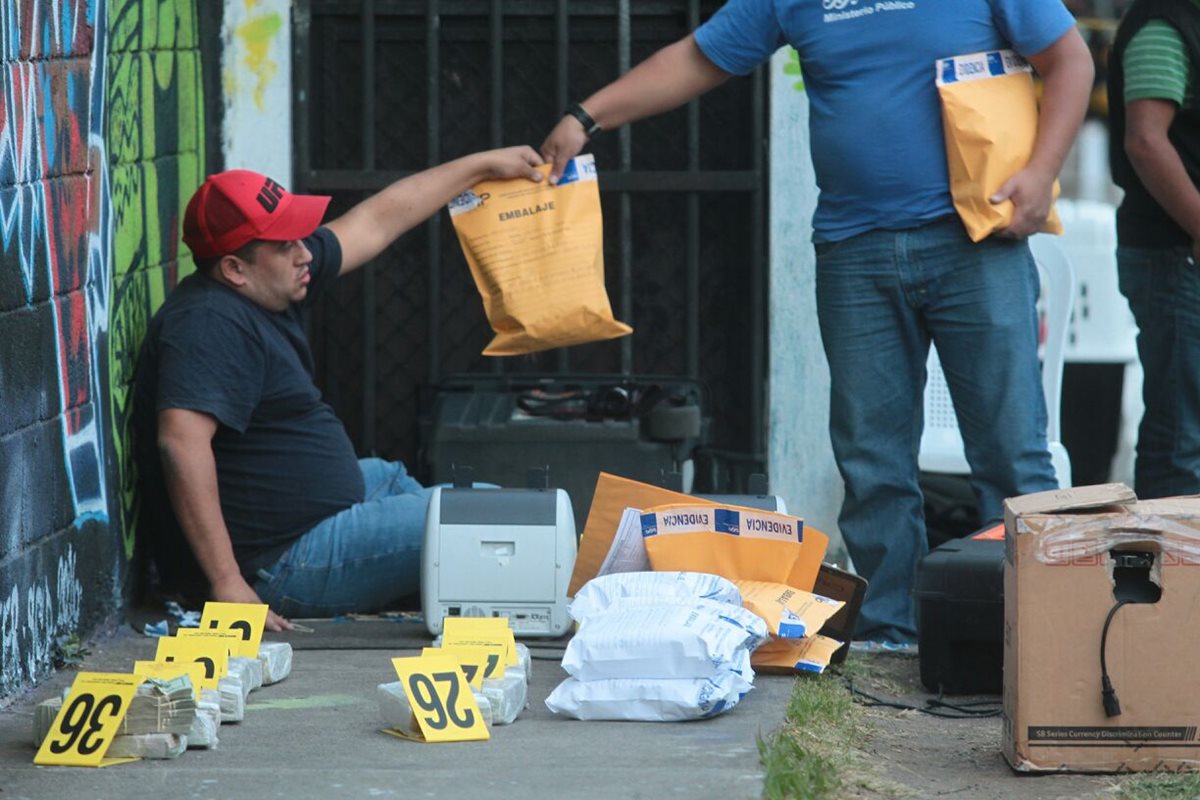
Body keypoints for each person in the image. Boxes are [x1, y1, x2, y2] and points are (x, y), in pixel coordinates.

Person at [542, 2, 1093, 644]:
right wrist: (587, 116)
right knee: (871, 459)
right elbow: (696, 58)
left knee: (1010, 453)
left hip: (977, 240)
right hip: (853, 248)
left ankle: (1043, 641)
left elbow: (1070, 58)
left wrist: (1043, 169)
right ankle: (894, 631)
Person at [132, 148, 545, 631]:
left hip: (315, 514)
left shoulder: (269, 284)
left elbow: (379, 220)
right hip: (280, 563)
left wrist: (482, 166)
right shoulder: (208, 324)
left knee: (397, 481)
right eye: (286, 245)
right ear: (234, 269)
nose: (305, 253)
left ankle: (427, 577)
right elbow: (180, 442)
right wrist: (228, 584)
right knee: (493, 517)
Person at [1108, 0, 1200, 500]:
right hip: (1176, 254)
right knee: (1182, 435)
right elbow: (1145, 141)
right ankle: (1178, 575)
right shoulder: (1166, 24)